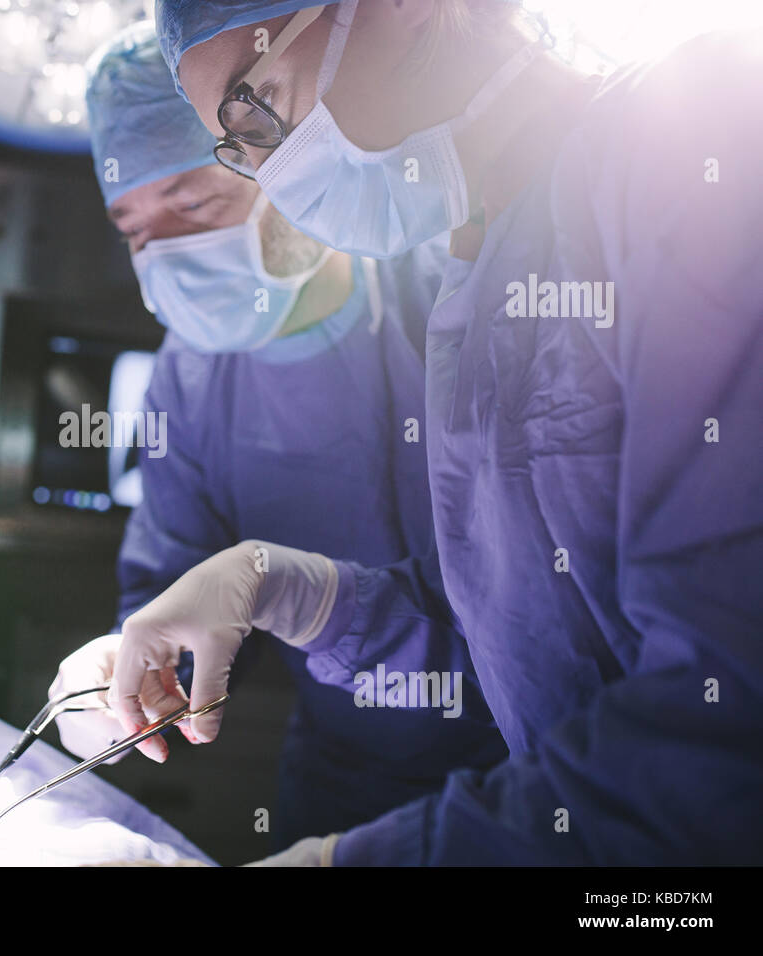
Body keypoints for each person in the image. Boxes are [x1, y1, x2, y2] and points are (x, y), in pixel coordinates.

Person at [105, 0, 763, 864]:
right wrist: (300, 596)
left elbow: (725, 714)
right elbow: (525, 638)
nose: (269, 174)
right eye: (239, 148)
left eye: (256, 109)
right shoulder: (481, 277)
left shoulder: (696, 133)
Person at [48, 22, 505, 851]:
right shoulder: (188, 378)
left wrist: (307, 598)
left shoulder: (454, 293)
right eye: (136, 230)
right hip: (345, 772)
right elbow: (181, 597)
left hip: (534, 762)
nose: (169, 255)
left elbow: (533, 613)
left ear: (287, 165)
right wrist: (129, 667)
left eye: (191, 203)